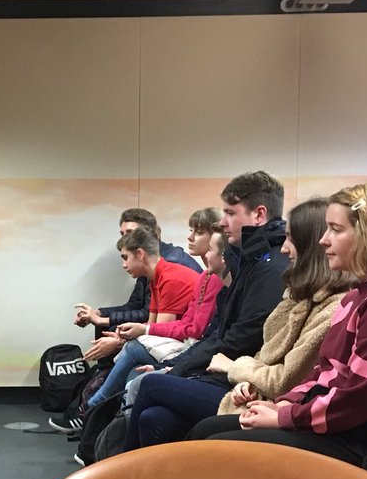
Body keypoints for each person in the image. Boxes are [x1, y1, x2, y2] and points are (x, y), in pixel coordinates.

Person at [190, 183, 367, 465]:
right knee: (205, 430)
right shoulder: (357, 296)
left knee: (214, 448)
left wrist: (284, 416)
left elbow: (356, 402)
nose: (324, 240)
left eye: (336, 230)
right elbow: (324, 373)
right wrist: (285, 403)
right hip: (329, 422)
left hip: (351, 440)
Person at [119, 170, 291, 446]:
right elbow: (218, 335)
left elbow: (238, 339)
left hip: (241, 384)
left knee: (149, 385)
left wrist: (175, 372)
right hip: (227, 374)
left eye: (230, 213)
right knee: (154, 418)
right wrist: (174, 368)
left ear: (259, 215)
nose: (223, 223)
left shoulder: (269, 268)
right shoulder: (250, 261)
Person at [83, 214, 226, 412]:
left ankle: (95, 407)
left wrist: (125, 338)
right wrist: (108, 322)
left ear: (141, 252)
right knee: (124, 350)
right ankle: (105, 415)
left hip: (192, 347)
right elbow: (154, 320)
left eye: (199, 233)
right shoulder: (192, 275)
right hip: (188, 342)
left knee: (133, 351)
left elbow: (191, 329)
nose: (190, 238)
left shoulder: (173, 275)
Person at [72, 208, 202, 363]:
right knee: (109, 331)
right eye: (123, 234)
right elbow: (135, 305)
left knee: (114, 334)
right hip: (168, 332)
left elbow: (154, 321)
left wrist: (116, 337)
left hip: (184, 341)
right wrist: (98, 313)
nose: (126, 238)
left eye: (131, 233)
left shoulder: (169, 264)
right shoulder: (150, 264)